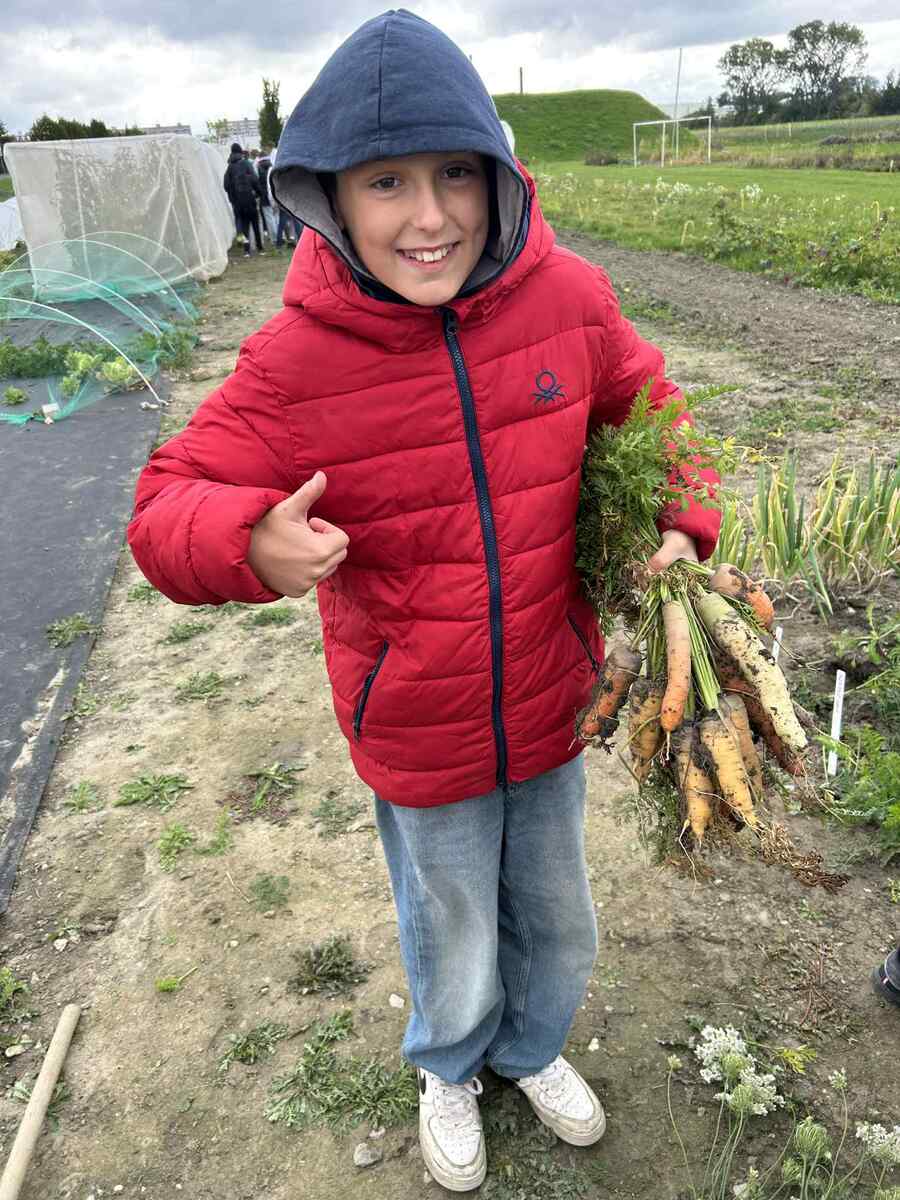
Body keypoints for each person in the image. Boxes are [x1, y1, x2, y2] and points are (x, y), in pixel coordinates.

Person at [128, 11, 719, 1192]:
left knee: (555, 910)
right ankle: (449, 1063)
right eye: (387, 182)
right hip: (416, 719)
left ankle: (531, 1048)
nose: (431, 214)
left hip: (551, 698)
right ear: (329, 199)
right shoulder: (297, 361)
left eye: (456, 173)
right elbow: (163, 503)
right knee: (450, 918)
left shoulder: (570, 301)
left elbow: (658, 413)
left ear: (499, 176)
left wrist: (679, 521)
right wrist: (247, 540)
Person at [223, 142, 265, 257]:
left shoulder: (229, 167)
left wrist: (233, 197)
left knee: (244, 225)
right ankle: (260, 248)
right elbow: (254, 180)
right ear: (240, 152)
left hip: (237, 203)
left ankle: (246, 250)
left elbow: (226, 185)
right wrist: (259, 193)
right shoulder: (246, 163)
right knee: (255, 224)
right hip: (249, 198)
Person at [256, 147, 279, 244]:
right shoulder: (272, 166)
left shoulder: (258, 168)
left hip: (264, 196)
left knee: (269, 218)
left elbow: (256, 183)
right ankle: (280, 235)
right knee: (276, 216)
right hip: (274, 194)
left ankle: (274, 238)